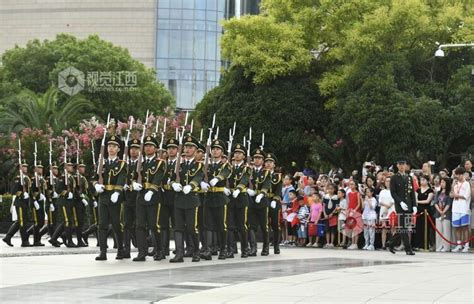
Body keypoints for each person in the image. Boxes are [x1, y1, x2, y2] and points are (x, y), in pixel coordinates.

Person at [170, 135, 204, 263]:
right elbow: (171, 177)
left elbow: (198, 177)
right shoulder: (179, 165)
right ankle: (179, 253)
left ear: (195, 150)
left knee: (191, 227)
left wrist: (191, 185)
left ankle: (196, 251)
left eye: (191, 147)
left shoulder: (198, 165)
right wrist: (173, 184)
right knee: (178, 227)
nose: (188, 149)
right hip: (179, 199)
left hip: (191, 199)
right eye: (186, 147)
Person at [132, 136, 167, 261]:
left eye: (150, 146)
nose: (147, 148)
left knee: (154, 225)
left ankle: (159, 250)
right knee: (140, 225)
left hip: (154, 197)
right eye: (146, 146)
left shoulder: (160, 163)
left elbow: (158, 177)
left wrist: (151, 190)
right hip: (141, 196)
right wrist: (133, 183)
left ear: (155, 148)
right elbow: (133, 176)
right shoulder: (139, 162)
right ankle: (142, 252)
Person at [93, 135, 127, 261]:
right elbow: (94, 178)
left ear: (118, 149)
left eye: (114, 146)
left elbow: (121, 179)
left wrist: (117, 192)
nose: (111, 149)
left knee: (116, 224)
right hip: (103, 196)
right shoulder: (101, 163)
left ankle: (120, 249)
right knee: (102, 224)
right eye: (109, 146)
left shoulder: (122, 164)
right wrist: (96, 185)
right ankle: (103, 251)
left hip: (114, 197)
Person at [200, 138, 232, 260]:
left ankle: (223, 249)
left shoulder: (225, 164)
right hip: (208, 197)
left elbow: (226, 172)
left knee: (221, 225)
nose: (215, 151)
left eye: (217, 149)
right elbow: (200, 176)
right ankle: (207, 249)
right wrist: (201, 183)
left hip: (220, 198)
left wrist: (217, 178)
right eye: (213, 149)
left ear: (222, 152)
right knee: (207, 225)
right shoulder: (206, 165)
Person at [387, 157, 417, 255]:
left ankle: (391, 243)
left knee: (403, 227)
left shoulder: (409, 177)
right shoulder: (394, 177)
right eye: (400, 164)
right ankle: (408, 249)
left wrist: (414, 205)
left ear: (406, 165)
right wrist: (400, 202)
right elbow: (393, 193)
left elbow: (412, 192)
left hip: (408, 205)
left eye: (403, 164)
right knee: (403, 228)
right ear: (397, 166)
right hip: (400, 206)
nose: (402, 166)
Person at [227, 143, 252, 258]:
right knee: (230, 225)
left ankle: (244, 249)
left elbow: (245, 179)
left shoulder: (246, 168)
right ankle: (231, 249)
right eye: (235, 153)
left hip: (241, 197)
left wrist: (238, 189)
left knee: (242, 225)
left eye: (240, 153)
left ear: (243, 156)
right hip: (230, 198)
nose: (237, 155)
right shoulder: (229, 167)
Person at [247, 148, 272, 256]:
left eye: (259, 158)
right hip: (251, 200)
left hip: (262, 201)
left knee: (264, 225)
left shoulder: (266, 172)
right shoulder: (249, 171)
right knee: (251, 225)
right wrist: (247, 189)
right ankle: (253, 247)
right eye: (255, 158)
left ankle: (265, 248)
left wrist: (261, 193)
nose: (257, 160)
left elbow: (267, 185)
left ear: (263, 160)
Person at [2, 160, 32, 247]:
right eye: (23, 166)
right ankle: (24, 241)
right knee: (22, 221)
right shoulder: (17, 178)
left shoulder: (26, 178)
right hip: (20, 202)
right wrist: (22, 194)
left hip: (25, 203)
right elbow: (13, 191)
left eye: (26, 166)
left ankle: (8, 237)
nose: (25, 168)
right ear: (20, 168)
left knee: (22, 221)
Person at [265, 152, 282, 254]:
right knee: (265, 225)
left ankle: (276, 245)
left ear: (274, 164)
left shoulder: (278, 176)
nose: (268, 164)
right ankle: (266, 246)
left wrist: (275, 200)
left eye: (271, 162)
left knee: (276, 225)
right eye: (267, 161)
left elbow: (279, 189)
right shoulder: (261, 175)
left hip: (274, 201)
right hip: (264, 200)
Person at [451, 167, 471, 253]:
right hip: (455, 208)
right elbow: (451, 194)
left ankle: (466, 245)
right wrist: (452, 186)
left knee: (465, 227)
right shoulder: (455, 183)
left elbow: (466, 196)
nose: (457, 176)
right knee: (457, 228)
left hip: (464, 208)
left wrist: (457, 195)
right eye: (456, 174)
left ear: (462, 174)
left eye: (459, 174)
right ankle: (459, 245)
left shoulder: (467, 184)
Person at [414, 175, 434, 251]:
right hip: (419, 211)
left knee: (425, 228)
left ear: (427, 181)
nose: (422, 181)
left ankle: (425, 245)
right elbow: (415, 199)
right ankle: (417, 245)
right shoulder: (418, 190)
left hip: (426, 211)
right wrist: (416, 202)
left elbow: (427, 201)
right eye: (421, 180)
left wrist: (417, 201)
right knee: (418, 227)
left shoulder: (430, 191)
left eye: (424, 180)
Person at [433, 177, 452, 252]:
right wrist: (440, 211)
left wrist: (443, 211)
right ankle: (439, 246)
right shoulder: (438, 192)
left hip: (446, 214)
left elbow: (448, 204)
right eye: (441, 182)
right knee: (439, 231)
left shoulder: (449, 193)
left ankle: (446, 247)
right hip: (438, 214)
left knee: (446, 231)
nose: (442, 184)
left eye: (443, 182)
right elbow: (435, 203)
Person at [378, 175, 395, 250]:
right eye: (386, 181)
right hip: (383, 211)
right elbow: (380, 201)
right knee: (384, 228)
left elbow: (393, 201)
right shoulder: (382, 191)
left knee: (393, 228)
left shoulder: (394, 191)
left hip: (392, 211)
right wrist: (386, 207)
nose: (388, 183)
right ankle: (383, 245)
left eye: (389, 181)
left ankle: (392, 244)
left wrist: (388, 207)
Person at [346, 180, 362, 250]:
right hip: (350, 212)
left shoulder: (357, 193)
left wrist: (354, 210)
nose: (351, 186)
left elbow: (359, 204)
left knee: (356, 229)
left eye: (352, 184)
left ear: (355, 185)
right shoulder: (349, 194)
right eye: (350, 184)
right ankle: (352, 243)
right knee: (352, 229)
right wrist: (348, 211)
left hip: (356, 212)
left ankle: (355, 244)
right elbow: (348, 203)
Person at [322, 183, 338, 248]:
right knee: (327, 230)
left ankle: (332, 243)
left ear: (334, 189)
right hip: (326, 215)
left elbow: (336, 207)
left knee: (333, 230)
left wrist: (332, 213)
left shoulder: (336, 197)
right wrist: (325, 213)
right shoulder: (326, 196)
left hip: (333, 215)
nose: (330, 190)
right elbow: (323, 205)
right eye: (329, 189)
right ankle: (327, 242)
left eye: (332, 189)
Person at [281, 174, 295, 245]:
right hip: (283, 206)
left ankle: (287, 239)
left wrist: (285, 202)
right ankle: (283, 239)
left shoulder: (291, 189)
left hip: (287, 206)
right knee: (283, 223)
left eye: (287, 179)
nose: (285, 180)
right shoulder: (284, 188)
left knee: (286, 223)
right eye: (284, 179)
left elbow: (292, 199)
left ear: (290, 181)